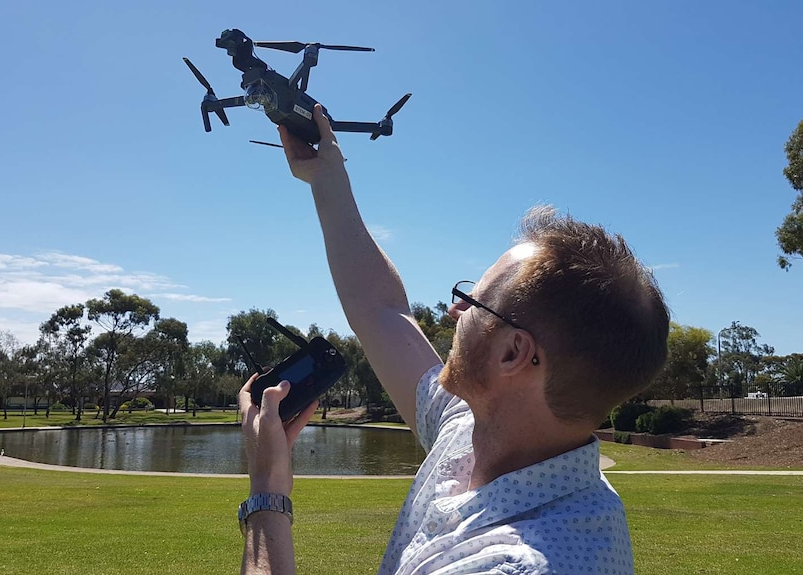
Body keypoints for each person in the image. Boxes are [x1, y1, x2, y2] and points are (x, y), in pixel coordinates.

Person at [238, 106, 670, 575]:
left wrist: (267, 492)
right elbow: (382, 309)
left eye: (472, 300)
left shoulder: (517, 565)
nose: (454, 311)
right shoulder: (469, 428)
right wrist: (328, 179)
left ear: (513, 353)